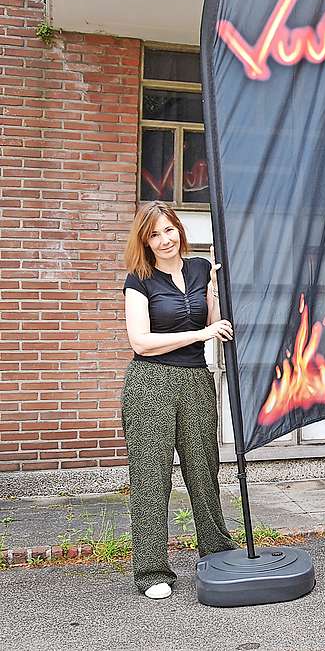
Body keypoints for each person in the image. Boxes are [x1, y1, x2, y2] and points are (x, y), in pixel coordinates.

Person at [120, 202, 237, 599]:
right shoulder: (139, 279)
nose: (165, 239)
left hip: (196, 381)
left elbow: (214, 323)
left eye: (169, 230)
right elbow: (141, 341)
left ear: (179, 230)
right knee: (152, 478)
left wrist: (216, 295)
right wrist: (201, 337)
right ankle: (152, 570)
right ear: (145, 240)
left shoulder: (201, 268)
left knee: (204, 470)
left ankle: (217, 550)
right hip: (150, 384)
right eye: (155, 234)